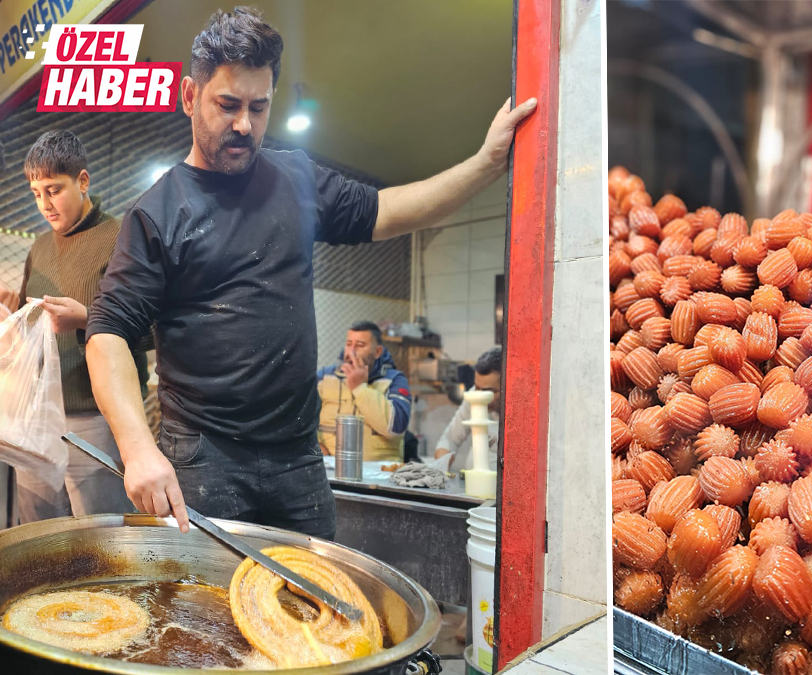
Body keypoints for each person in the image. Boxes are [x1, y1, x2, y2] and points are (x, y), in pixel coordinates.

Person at [84, 7, 535, 539]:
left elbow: (389, 210)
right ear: (189, 98)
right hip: (205, 455)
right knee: (210, 614)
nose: (244, 124)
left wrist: (485, 162)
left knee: (312, 607)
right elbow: (107, 332)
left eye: (259, 106)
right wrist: (139, 448)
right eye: (227, 105)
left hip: (297, 458)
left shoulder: (295, 177)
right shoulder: (157, 213)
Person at [3, 130, 147, 523]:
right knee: (39, 530)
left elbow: (149, 329)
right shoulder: (40, 246)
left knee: (98, 532)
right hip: (38, 415)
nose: (44, 205)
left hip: (95, 417)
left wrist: (85, 318)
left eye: (54, 189)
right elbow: (32, 319)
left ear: (82, 181)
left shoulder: (119, 238)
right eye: (35, 193)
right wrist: (10, 308)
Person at [316, 321, 411, 462]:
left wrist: (360, 388)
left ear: (377, 352)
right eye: (349, 344)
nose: (352, 351)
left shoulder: (394, 380)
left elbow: (396, 427)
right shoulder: (324, 377)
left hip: (379, 476)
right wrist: (314, 447)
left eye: (360, 345)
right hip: (329, 471)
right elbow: (297, 421)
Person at [435, 347, 502, 472]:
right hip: (472, 487)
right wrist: (440, 469)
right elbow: (450, 439)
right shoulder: (474, 397)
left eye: (488, 391)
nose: (480, 396)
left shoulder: (523, 409)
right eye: (477, 387)